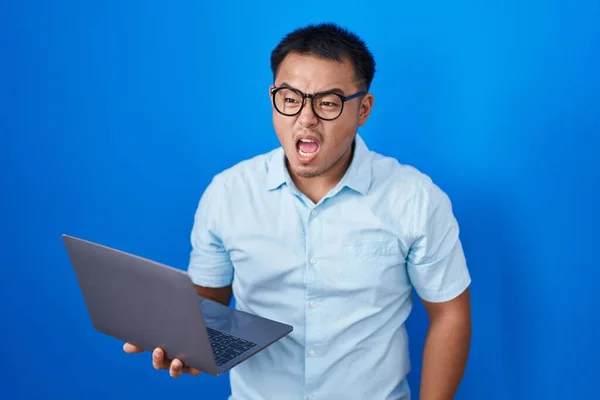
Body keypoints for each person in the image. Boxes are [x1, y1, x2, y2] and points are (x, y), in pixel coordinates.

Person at [124, 22, 472, 400]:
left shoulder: (415, 198)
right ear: (273, 96)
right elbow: (207, 307)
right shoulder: (228, 192)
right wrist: (183, 344)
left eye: (327, 103)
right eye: (290, 99)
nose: (305, 119)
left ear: (363, 110)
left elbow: (449, 313)